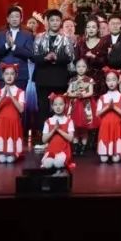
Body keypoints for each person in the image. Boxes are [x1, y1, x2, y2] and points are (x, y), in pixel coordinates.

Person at [33, 9, 75, 145]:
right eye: (52, 20)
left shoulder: (65, 39)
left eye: (57, 20)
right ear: (47, 22)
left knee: (59, 109)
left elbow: (70, 57)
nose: (55, 23)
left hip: (59, 79)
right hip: (42, 79)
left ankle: (60, 138)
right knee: (43, 109)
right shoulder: (39, 38)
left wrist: (56, 57)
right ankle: (44, 138)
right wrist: (45, 58)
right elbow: (34, 57)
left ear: (60, 22)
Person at [0, 5, 35, 89]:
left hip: (21, 76)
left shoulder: (27, 35)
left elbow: (30, 54)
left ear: (21, 19)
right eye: (12, 17)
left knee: (19, 97)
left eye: (17, 16)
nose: (14, 19)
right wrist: (7, 45)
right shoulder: (1, 34)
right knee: (3, 97)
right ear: (7, 19)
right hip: (3, 75)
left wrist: (14, 47)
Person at [0, 63, 25, 163]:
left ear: (16, 75)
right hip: (2, 123)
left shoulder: (20, 92)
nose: (9, 76)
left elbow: (21, 110)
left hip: (14, 122)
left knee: (10, 160)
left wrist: (11, 96)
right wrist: (2, 97)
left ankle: (13, 153)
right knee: (2, 159)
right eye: (6, 74)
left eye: (12, 74)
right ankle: (3, 152)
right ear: (3, 75)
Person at [67, 57, 98, 155]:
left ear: (87, 68)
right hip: (75, 104)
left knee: (85, 127)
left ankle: (83, 147)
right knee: (75, 127)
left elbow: (91, 92)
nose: (81, 68)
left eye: (83, 66)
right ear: (75, 68)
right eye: (78, 66)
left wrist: (83, 95)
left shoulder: (89, 80)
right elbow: (68, 92)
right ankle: (76, 147)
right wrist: (75, 94)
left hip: (85, 105)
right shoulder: (72, 80)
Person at [96, 68, 121, 163]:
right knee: (104, 159)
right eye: (108, 80)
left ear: (117, 81)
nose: (111, 82)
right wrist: (107, 107)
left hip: (116, 127)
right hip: (105, 127)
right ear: (106, 82)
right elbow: (97, 113)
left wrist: (114, 107)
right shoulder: (102, 97)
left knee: (116, 159)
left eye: (113, 80)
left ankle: (116, 152)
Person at [40, 94, 75, 171]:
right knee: (48, 164)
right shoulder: (48, 121)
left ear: (65, 105)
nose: (58, 107)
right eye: (55, 105)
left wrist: (58, 130)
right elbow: (44, 140)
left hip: (64, 150)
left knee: (58, 163)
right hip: (51, 151)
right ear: (52, 106)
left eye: (60, 104)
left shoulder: (69, 121)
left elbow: (71, 138)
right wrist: (53, 130)